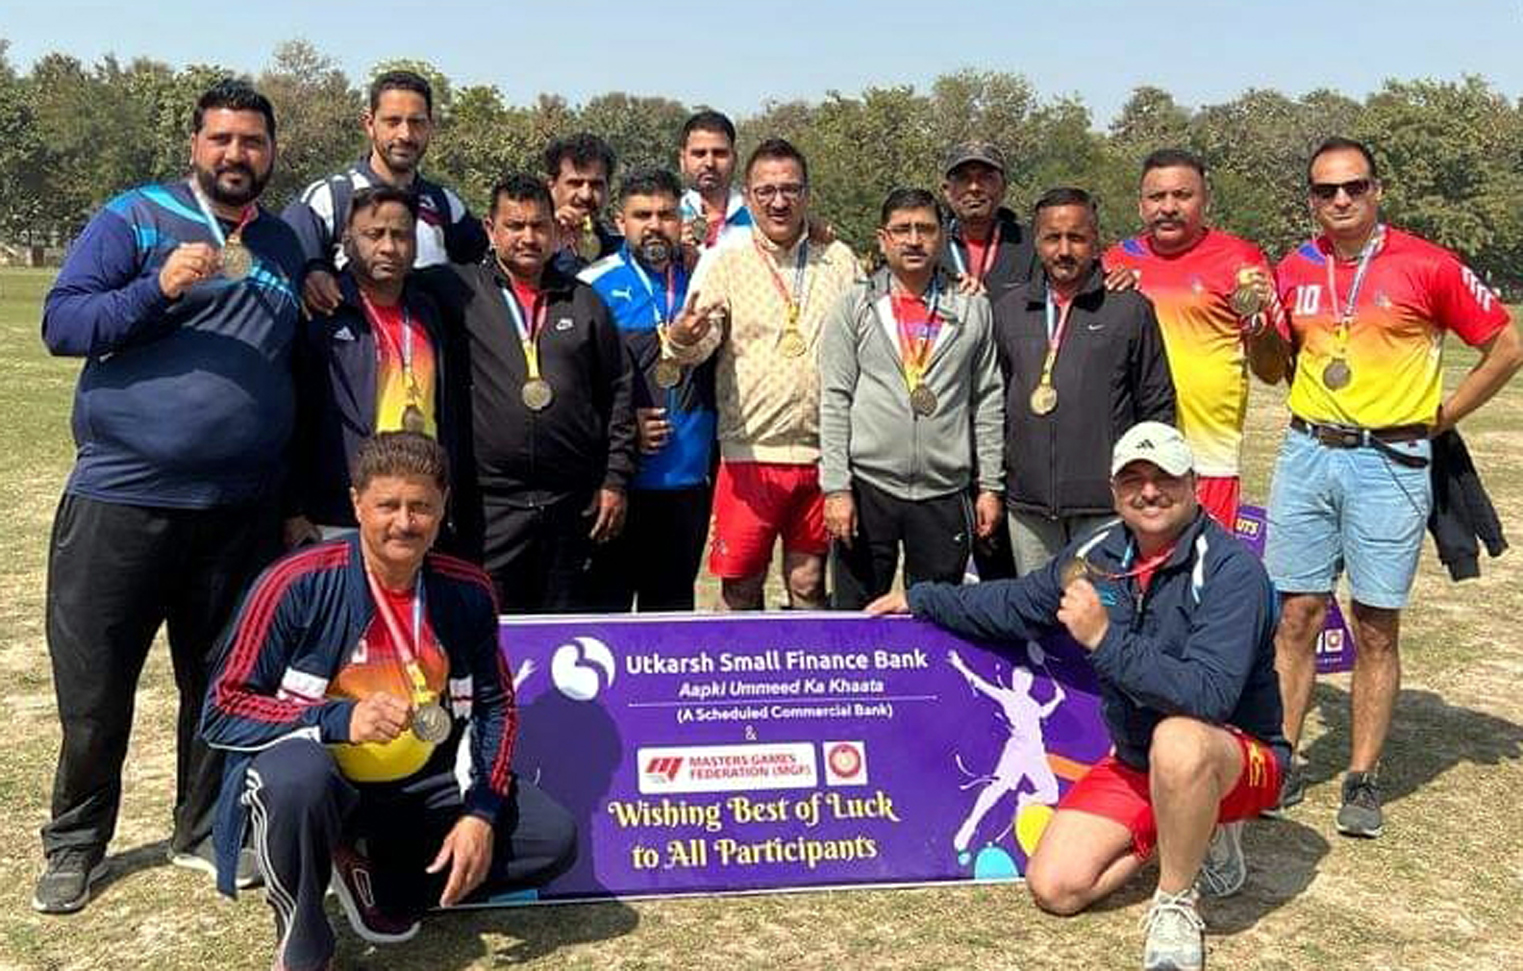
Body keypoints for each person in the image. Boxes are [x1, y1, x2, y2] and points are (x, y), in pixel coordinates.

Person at [869, 422, 1288, 971]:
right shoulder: (1097, 551)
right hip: (1138, 760)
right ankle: (1192, 830)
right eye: (1133, 479)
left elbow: (1207, 696)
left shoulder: (1234, 571)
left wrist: (1104, 640)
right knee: (1056, 887)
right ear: (1114, 492)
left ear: (1193, 484)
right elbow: (1018, 603)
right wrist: (924, 599)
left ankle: (1176, 901)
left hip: (1238, 756)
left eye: (1164, 477)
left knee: (1180, 740)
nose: (1149, 491)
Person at [34, 80, 305, 913]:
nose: (236, 154)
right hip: (123, 498)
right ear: (195, 145)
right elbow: (62, 325)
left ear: (271, 151)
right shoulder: (136, 217)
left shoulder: (284, 241)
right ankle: (75, 842)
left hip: (238, 509)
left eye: (252, 141)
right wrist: (157, 289)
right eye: (221, 138)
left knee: (222, 677)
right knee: (96, 687)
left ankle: (202, 827)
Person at [201, 432, 576, 971]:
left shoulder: (468, 589)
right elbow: (224, 709)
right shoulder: (295, 582)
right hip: (323, 776)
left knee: (553, 839)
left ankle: (374, 876)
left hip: (420, 781)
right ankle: (303, 933)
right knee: (295, 781)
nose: (404, 522)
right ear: (357, 504)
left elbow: (496, 706)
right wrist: (338, 718)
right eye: (388, 505)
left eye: (420, 506)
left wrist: (480, 812)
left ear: (443, 507)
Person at [1266, 136, 1522, 836]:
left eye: (1354, 186)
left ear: (1377, 190)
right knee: (1295, 615)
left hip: (1389, 462)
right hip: (1308, 450)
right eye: (1326, 190)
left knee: (1375, 625)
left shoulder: (1428, 264)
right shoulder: (1295, 266)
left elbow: (1505, 346)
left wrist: (1444, 416)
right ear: (1311, 199)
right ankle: (1281, 757)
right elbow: (1275, 364)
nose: (1340, 199)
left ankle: (1361, 776)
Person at [423, 174, 635, 612]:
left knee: (565, 631)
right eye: (515, 226)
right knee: (489, 625)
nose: (528, 237)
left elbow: (618, 391)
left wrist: (614, 480)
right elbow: (382, 273)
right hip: (489, 506)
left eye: (539, 226)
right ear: (490, 229)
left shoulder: (584, 302)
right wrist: (319, 275)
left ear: (555, 231)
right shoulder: (456, 290)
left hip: (571, 505)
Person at [665, 138, 860, 610]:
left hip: (824, 454)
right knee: (740, 587)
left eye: (790, 189)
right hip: (748, 454)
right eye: (766, 190)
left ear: (807, 194)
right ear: (748, 196)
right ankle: (734, 660)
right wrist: (684, 337)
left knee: (809, 583)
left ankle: (807, 659)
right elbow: (700, 343)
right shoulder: (725, 257)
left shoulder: (838, 259)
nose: (779, 201)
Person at [818, 187, 1005, 608]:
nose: (914, 240)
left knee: (937, 618)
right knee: (857, 617)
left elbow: (988, 401)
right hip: (868, 487)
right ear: (883, 238)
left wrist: (990, 486)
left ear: (942, 237)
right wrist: (836, 489)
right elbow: (834, 400)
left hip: (944, 490)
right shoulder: (855, 306)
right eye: (902, 229)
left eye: (925, 229)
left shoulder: (972, 307)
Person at [992, 187, 1175, 576]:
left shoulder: (1129, 309)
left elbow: (1156, 403)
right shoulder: (1009, 310)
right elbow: (995, 403)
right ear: (1036, 242)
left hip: (1105, 504)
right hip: (1029, 505)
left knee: (1103, 607)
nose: (1063, 250)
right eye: (1052, 238)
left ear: (1096, 241)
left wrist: (1146, 482)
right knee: (1038, 606)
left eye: (1076, 237)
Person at [1105, 148, 1290, 528]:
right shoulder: (1115, 262)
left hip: (1208, 459)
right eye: (1157, 196)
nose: (1168, 207)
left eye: (1182, 195)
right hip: (1133, 453)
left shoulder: (1240, 259)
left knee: (1202, 562)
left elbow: (1272, 372)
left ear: (1205, 200)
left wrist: (1258, 323)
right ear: (1141, 205)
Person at [580, 168, 718, 610]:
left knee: (672, 614)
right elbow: (578, 384)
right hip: (623, 482)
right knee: (610, 613)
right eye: (642, 215)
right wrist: (621, 424)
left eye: (666, 214)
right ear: (620, 222)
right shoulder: (592, 286)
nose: (655, 225)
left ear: (682, 220)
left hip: (689, 481)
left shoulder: (706, 278)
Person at [288, 185, 451, 542]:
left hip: (418, 507)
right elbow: (296, 413)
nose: (389, 247)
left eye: (401, 235)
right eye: (374, 235)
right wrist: (293, 508)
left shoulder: (430, 311)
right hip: (339, 511)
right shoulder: (322, 311)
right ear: (347, 241)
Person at [283, 70, 487, 317]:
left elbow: (488, 277)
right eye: (393, 122)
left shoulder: (446, 205)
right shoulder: (329, 199)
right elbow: (283, 261)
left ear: (430, 126)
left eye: (416, 122)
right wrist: (312, 271)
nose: (405, 135)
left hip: (426, 341)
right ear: (369, 124)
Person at [939, 141, 1038, 303]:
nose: (974, 187)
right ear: (947, 190)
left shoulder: (1031, 245)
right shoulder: (930, 245)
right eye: (963, 178)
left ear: (1003, 188)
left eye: (986, 177)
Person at [677, 109, 754, 253]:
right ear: (682, 160)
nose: (710, 163)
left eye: (719, 153)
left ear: (734, 158)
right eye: (699, 154)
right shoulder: (667, 218)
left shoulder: (758, 217)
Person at [546, 132, 622, 275]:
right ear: (552, 187)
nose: (586, 195)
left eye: (596, 185)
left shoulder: (623, 255)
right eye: (575, 183)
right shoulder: (528, 250)